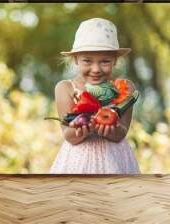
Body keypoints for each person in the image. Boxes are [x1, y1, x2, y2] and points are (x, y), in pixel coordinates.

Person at [49, 18, 140, 174]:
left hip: (115, 158)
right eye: (87, 61)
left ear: (115, 60)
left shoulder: (125, 88)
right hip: (78, 161)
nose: (96, 69)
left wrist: (112, 129)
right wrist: (84, 128)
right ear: (76, 59)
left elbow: (121, 133)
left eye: (105, 61)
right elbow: (68, 135)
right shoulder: (65, 88)